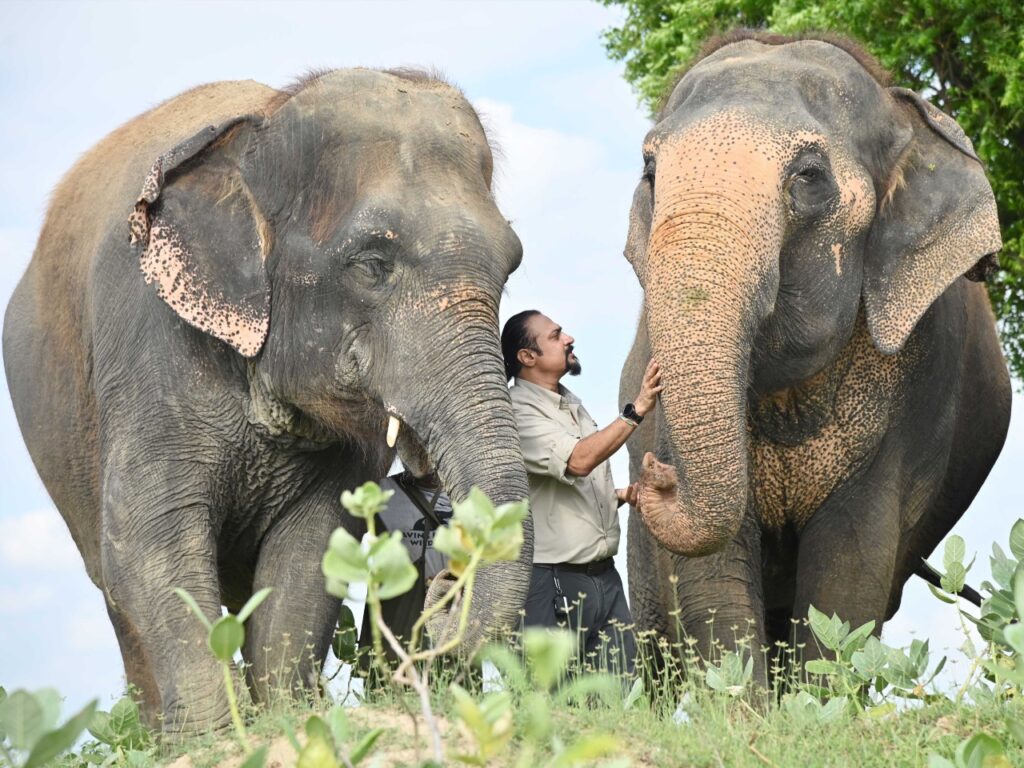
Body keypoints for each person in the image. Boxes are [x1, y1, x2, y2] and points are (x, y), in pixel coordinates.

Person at [501, 309, 662, 675]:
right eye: (555, 336)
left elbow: (568, 490)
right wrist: (635, 412)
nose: (569, 337)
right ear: (527, 357)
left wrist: (621, 494)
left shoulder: (570, 402)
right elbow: (577, 461)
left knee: (618, 697)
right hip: (554, 582)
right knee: (553, 705)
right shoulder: (516, 412)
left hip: (604, 578)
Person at [358, 468, 453, 664]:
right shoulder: (381, 490)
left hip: (452, 605)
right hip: (398, 608)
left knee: (455, 679)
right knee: (392, 680)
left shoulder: (465, 492)